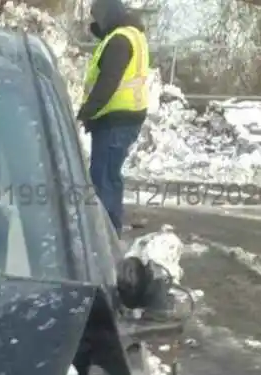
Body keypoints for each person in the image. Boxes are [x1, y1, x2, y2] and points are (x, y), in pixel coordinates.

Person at [77, 0, 150, 234]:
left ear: (108, 15)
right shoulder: (128, 34)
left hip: (116, 120)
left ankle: (105, 236)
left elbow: (108, 82)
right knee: (109, 176)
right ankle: (110, 230)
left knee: (103, 179)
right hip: (122, 118)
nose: (95, 22)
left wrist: (86, 113)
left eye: (98, 18)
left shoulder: (119, 40)